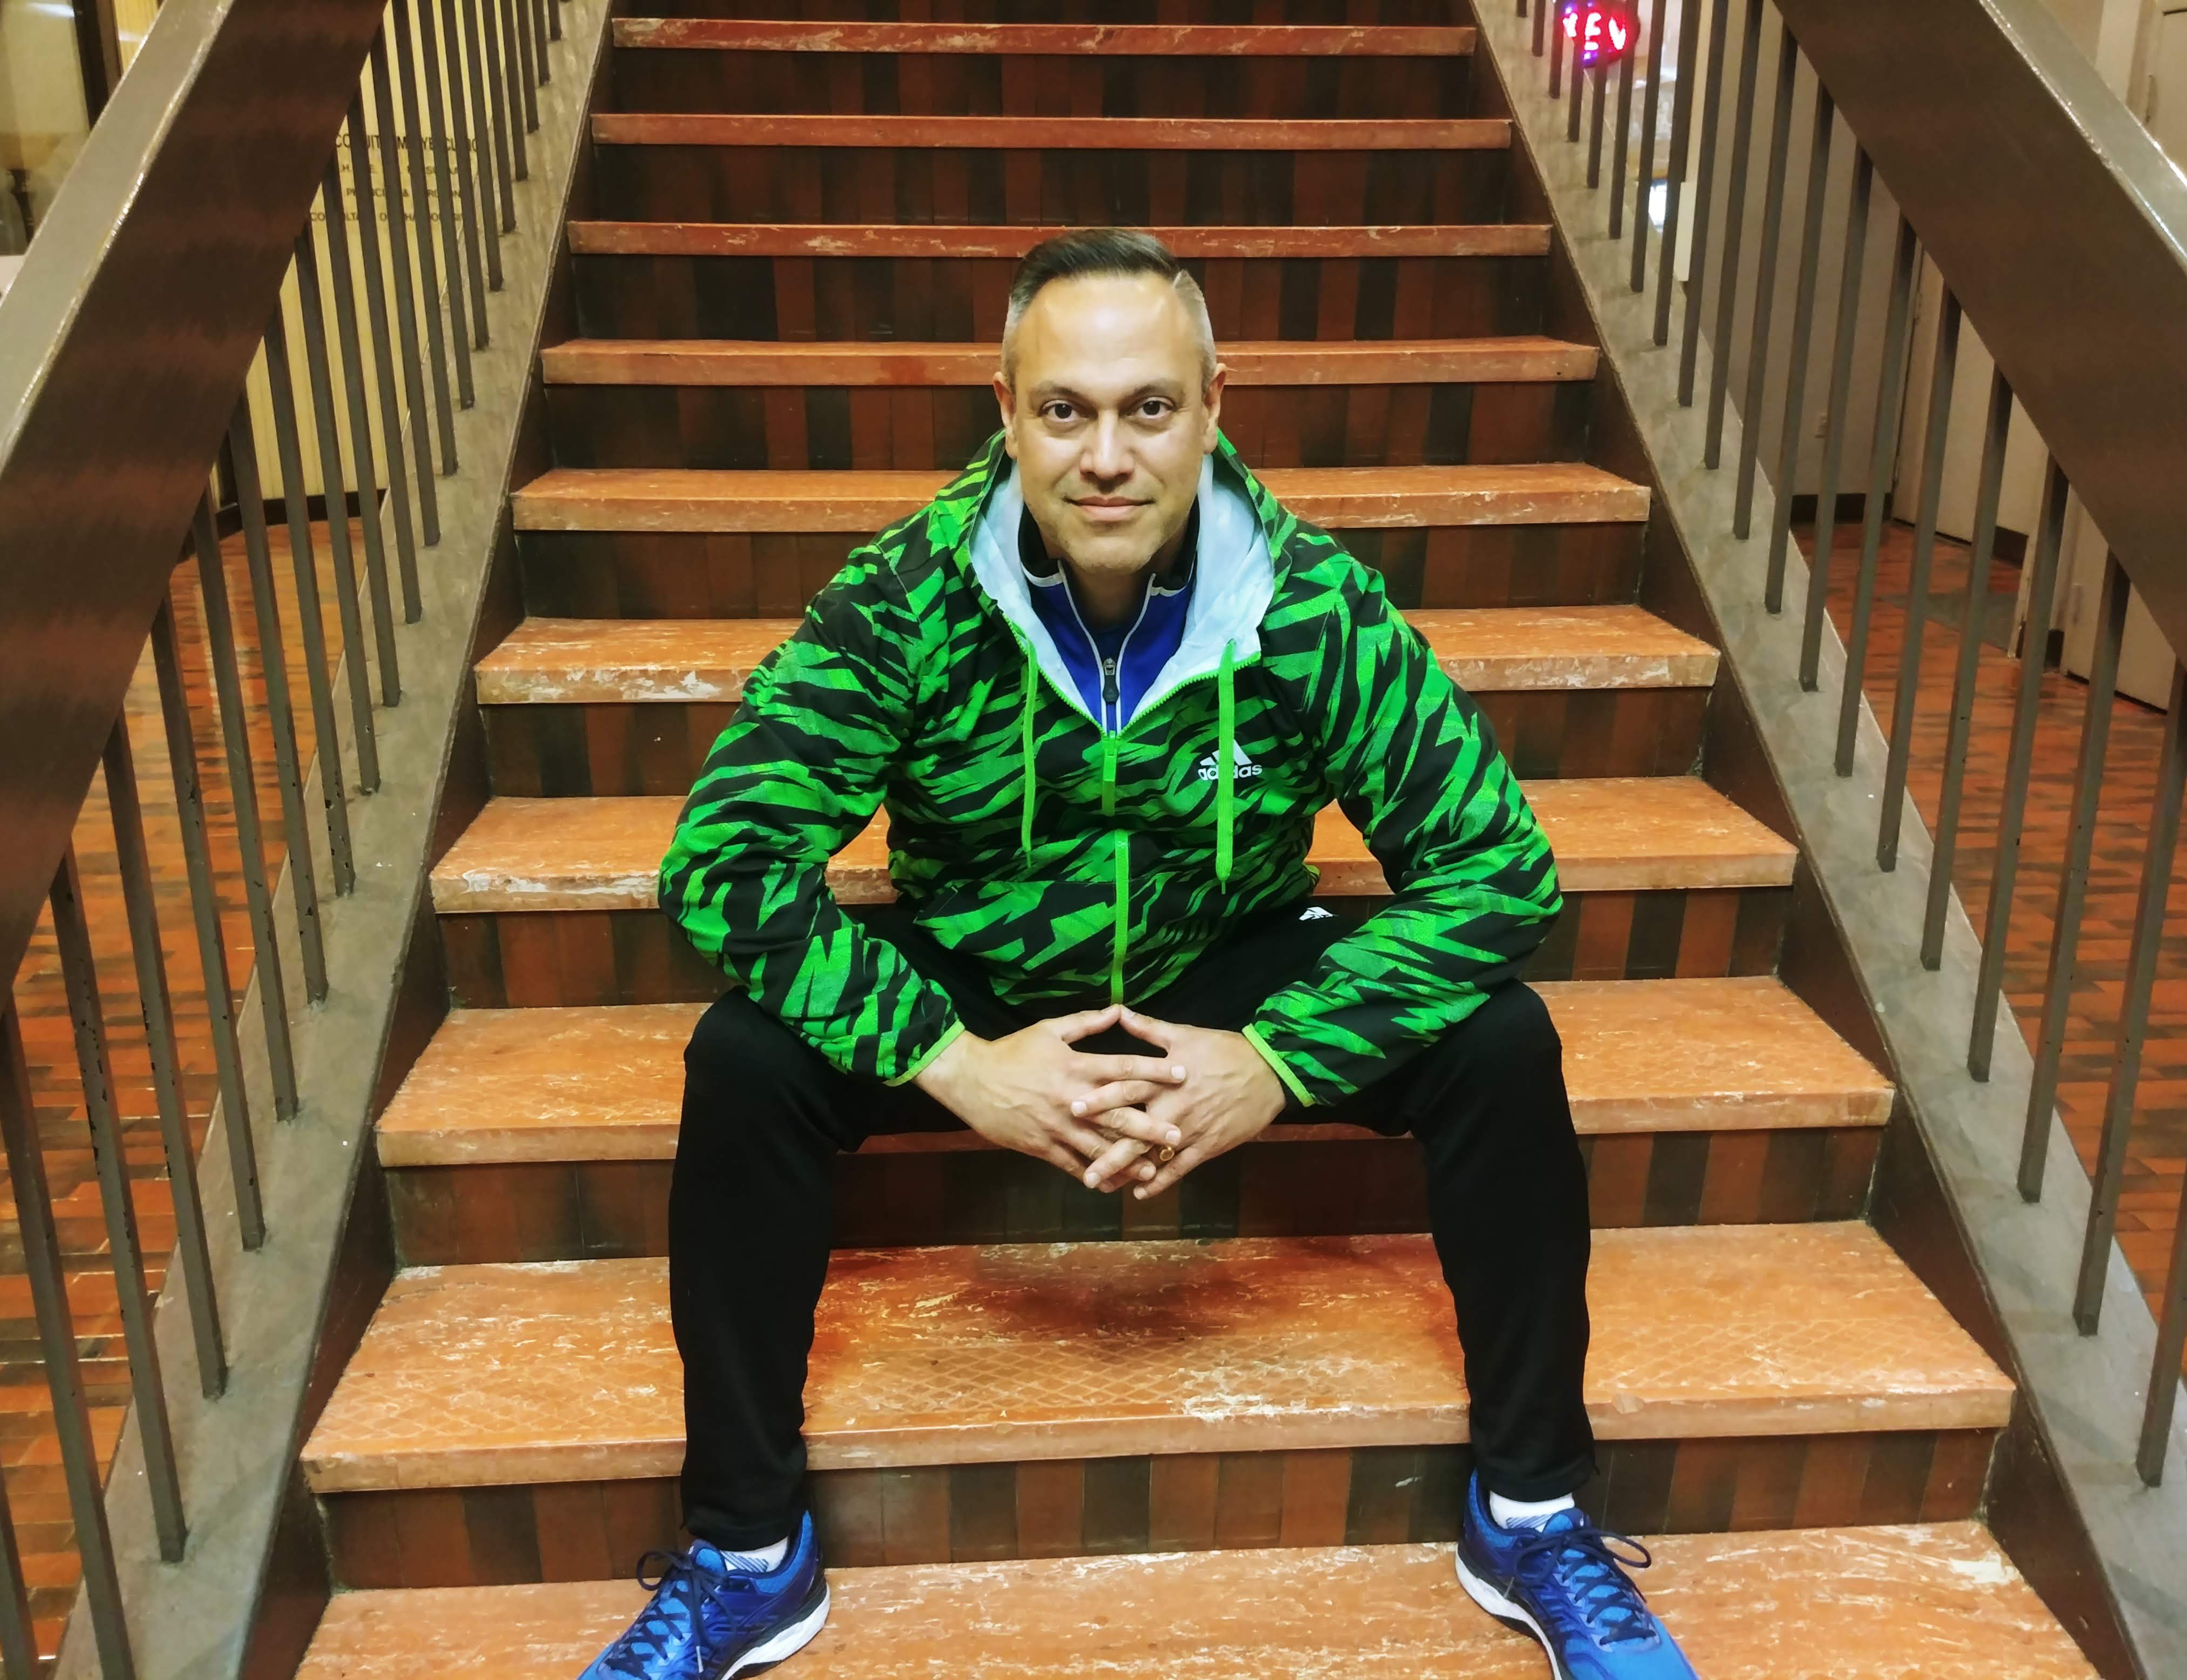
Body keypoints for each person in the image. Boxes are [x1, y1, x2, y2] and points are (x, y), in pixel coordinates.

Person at [579, 228, 1702, 1680]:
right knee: (744, 1059)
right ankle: (746, 1554)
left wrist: (1278, 1061)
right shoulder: (904, 599)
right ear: (1007, 413)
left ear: (1212, 408)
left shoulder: (1312, 606)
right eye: (1066, 411)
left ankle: (1535, 1513)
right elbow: (722, 862)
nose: (1106, 457)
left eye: (1149, 409)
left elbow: (1498, 868)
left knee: (1503, 1041)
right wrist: (954, 1062)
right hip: (984, 977)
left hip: (1224, 963)